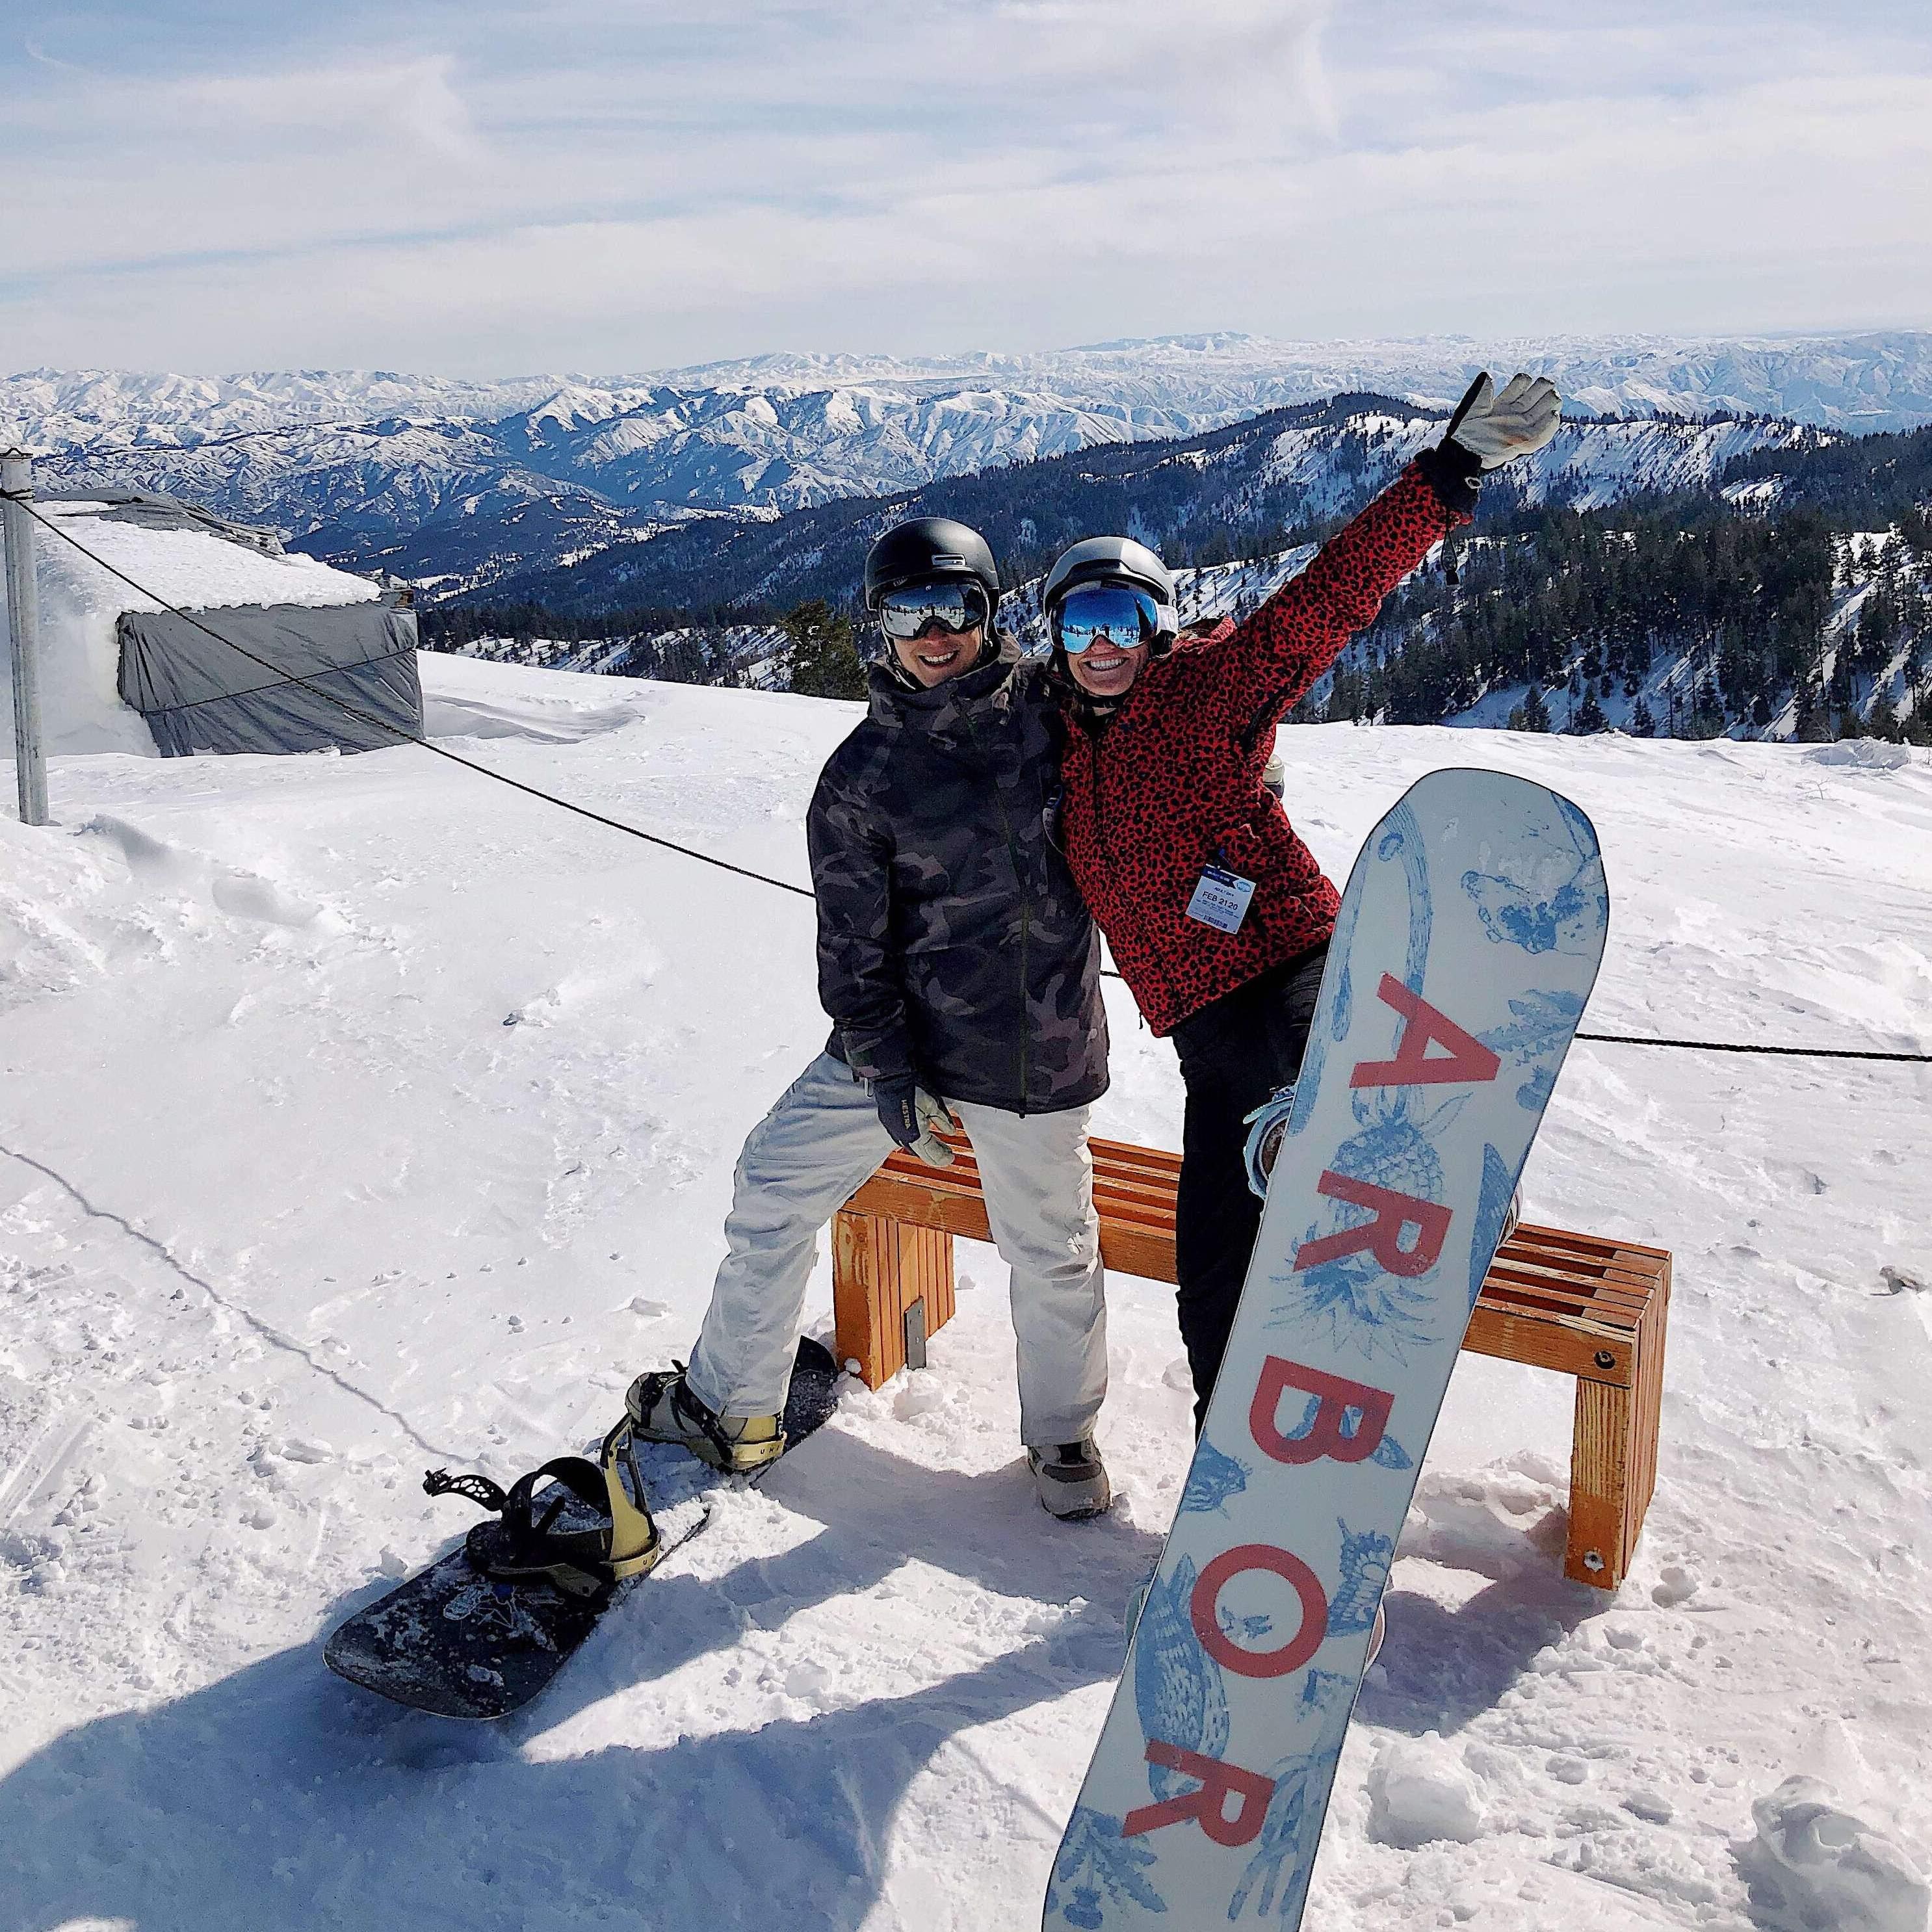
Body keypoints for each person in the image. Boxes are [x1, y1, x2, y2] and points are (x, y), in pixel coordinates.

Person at [1043, 372, 1562, 1426]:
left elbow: (1325, 602)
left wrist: (1448, 474)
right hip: (1202, 1029)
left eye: (1123, 620)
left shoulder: (1202, 690)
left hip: (1292, 959)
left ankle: (1431, 1181)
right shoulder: (1048, 739)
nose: (1102, 647)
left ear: (1157, 626)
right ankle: (1232, 1457)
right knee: (1212, 1268)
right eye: (1080, 624)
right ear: (1054, 636)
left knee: (1308, 1101)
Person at [626, 516, 1116, 1519]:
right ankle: (736, 1407)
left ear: (991, 611)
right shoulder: (861, 777)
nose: (935, 633)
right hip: (906, 1050)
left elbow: (1166, 704)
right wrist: (889, 1073)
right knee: (773, 1183)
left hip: (1036, 1051)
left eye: (957, 608)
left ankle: (1064, 1441)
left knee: (1051, 1249)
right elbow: (853, 950)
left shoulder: (1057, 715)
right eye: (910, 611)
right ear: (879, 624)